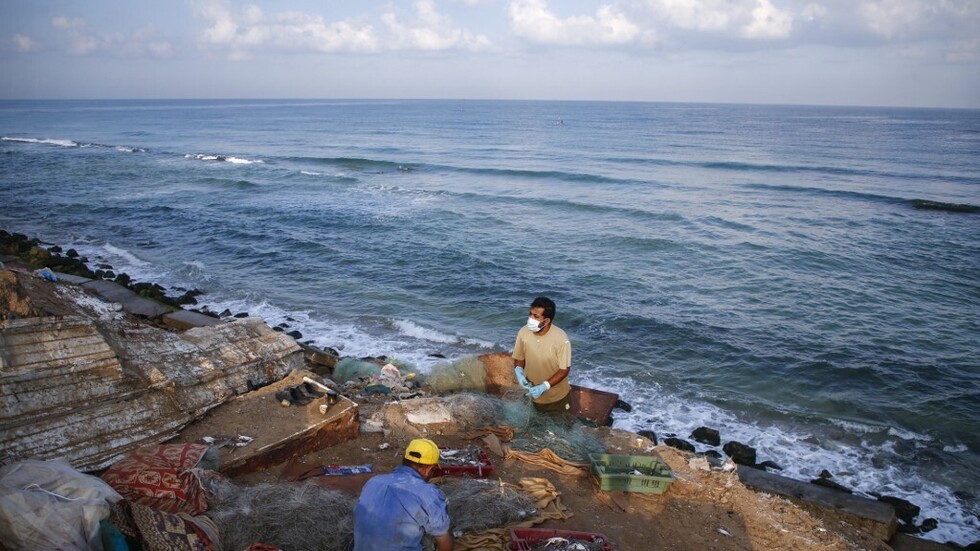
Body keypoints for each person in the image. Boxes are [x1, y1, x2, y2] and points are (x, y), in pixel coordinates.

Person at [353, 438, 453, 551]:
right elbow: (444, 542)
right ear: (428, 469)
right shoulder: (428, 494)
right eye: (433, 470)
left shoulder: (373, 482)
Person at [513, 296, 572, 415]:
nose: (530, 318)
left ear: (546, 321)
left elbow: (564, 370)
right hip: (530, 393)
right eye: (530, 314)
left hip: (555, 398)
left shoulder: (561, 339)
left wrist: (544, 386)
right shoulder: (523, 332)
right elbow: (519, 357)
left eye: (536, 316)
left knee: (558, 429)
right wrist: (519, 371)